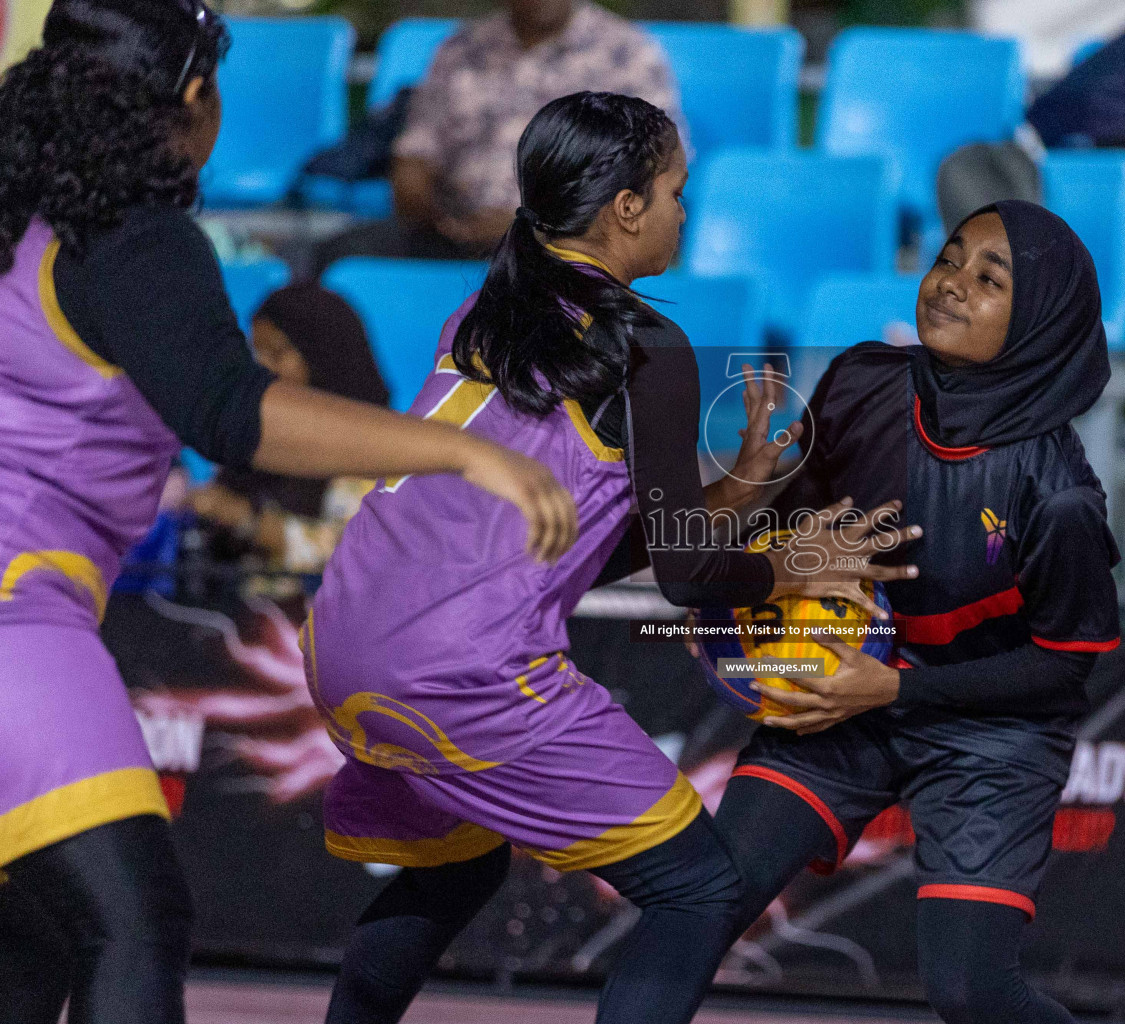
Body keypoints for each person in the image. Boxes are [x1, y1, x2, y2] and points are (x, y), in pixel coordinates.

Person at [0, 0, 581, 1020]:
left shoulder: (21, 212)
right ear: (192, 99)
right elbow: (234, 411)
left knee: (36, 939)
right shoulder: (128, 237)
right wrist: (458, 451)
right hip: (16, 611)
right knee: (132, 925)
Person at [307, 91, 919, 1024]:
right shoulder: (647, 344)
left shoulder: (487, 313)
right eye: (676, 190)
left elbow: (579, 548)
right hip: (462, 666)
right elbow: (687, 576)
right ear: (626, 208)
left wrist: (738, 495)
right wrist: (788, 567)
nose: (686, 210)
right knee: (699, 892)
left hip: (345, 638)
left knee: (457, 866)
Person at [680, 201, 1120, 1024]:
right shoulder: (861, 380)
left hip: (991, 729)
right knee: (695, 911)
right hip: (840, 694)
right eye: (949, 259)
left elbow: (1063, 664)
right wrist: (757, 509)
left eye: (990, 280)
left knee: (969, 990)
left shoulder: (1058, 498)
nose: (952, 285)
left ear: (1038, 323)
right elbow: (794, 535)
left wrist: (890, 692)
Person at [312, 0, 683, 271]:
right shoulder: (461, 50)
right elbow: (414, 155)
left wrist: (531, 223)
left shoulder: (627, 54)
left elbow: (650, 171)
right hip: (453, 231)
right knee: (338, 256)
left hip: (565, 241)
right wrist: (433, 212)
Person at [191, 284, 391, 573]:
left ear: (325, 358)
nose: (260, 369)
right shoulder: (258, 435)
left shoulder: (376, 451)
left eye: (277, 353)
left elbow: (349, 556)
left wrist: (247, 520)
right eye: (256, 354)